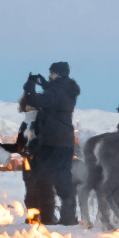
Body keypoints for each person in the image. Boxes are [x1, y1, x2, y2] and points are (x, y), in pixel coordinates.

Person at [23, 61, 80, 226]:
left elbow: (35, 100)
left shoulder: (57, 91)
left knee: (43, 178)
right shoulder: (68, 89)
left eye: (51, 73)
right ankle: (68, 218)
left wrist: (30, 85)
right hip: (66, 142)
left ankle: (47, 218)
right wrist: (44, 83)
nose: (49, 75)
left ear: (58, 74)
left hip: (51, 142)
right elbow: (54, 94)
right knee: (64, 179)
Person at [0, 96, 51, 223]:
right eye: (27, 105)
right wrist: (0, 146)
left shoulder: (43, 122)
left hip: (42, 164)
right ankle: (33, 217)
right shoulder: (25, 124)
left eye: (31, 104)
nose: (28, 107)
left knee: (43, 190)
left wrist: (33, 151)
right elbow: (19, 147)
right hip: (28, 164)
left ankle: (46, 218)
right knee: (31, 192)